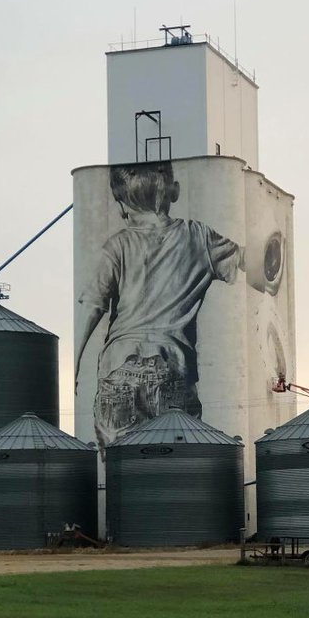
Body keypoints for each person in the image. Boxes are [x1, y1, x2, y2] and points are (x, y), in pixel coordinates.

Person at [75, 161, 246, 453]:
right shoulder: (199, 237)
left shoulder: (116, 246)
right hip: (171, 368)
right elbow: (254, 267)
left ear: (120, 204)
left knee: (123, 473)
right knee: (176, 468)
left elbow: (92, 307)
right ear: (174, 192)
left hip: (119, 370)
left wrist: (75, 366)